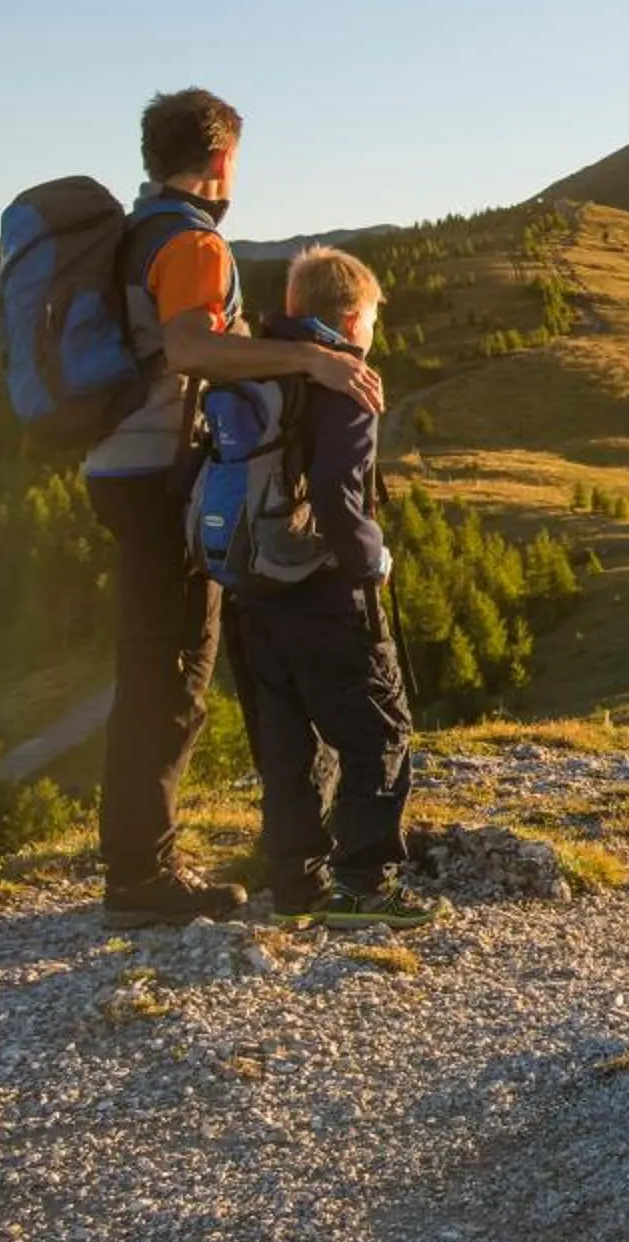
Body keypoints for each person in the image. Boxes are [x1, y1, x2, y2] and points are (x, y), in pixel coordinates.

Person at [85, 88, 384, 929]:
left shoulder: (135, 232)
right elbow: (190, 347)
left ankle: (139, 863)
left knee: (156, 664)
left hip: (118, 465)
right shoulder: (190, 240)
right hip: (158, 474)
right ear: (221, 159)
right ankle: (141, 878)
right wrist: (311, 362)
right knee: (172, 673)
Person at [238, 246, 432, 929]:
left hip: (254, 583)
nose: (372, 332)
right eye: (373, 319)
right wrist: (370, 562)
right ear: (353, 320)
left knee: (288, 740)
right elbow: (337, 494)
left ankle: (295, 883)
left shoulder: (252, 364)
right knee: (378, 730)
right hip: (323, 587)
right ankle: (364, 885)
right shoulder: (347, 380)